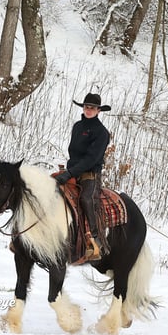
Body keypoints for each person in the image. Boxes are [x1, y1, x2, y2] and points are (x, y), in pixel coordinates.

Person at [54, 92, 111, 261]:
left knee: (86, 199)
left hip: (90, 174)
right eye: (86, 107)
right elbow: (74, 152)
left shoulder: (102, 133)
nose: (89, 110)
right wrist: (68, 171)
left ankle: (95, 240)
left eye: (92, 108)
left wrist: (71, 172)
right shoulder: (77, 127)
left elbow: (91, 158)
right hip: (73, 171)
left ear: (98, 111)